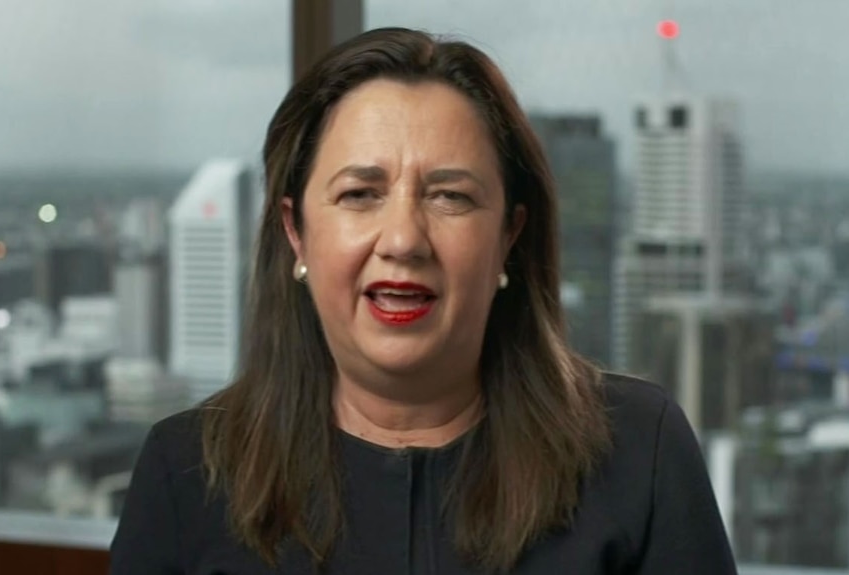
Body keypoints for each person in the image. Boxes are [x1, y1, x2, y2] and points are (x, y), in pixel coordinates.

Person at [110, 27, 737, 574]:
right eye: (360, 194)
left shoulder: (638, 451)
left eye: (450, 197)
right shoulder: (186, 473)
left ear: (509, 238)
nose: (405, 239)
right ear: (296, 230)